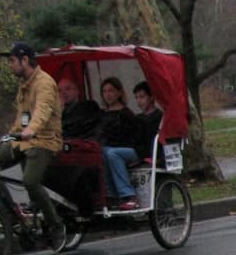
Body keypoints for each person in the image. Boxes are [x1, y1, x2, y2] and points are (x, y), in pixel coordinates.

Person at [0, 41, 66, 249]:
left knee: (30, 181)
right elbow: (22, 116)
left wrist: (32, 129)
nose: (10, 65)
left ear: (25, 60)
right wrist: (10, 135)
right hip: (24, 140)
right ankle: (12, 216)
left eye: (12, 60)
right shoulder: (24, 85)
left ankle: (56, 225)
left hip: (45, 140)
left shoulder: (44, 82)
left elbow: (42, 111)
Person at [96, 76, 145, 209]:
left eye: (111, 91)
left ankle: (128, 194)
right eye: (104, 91)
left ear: (119, 93)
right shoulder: (102, 114)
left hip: (131, 150)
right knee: (103, 152)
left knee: (111, 153)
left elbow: (134, 137)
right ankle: (110, 194)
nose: (108, 95)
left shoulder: (126, 113)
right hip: (110, 150)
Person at [57, 76, 100, 140]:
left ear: (77, 91)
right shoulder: (58, 111)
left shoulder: (89, 106)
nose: (63, 93)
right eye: (59, 90)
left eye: (67, 89)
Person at [132, 80, 164, 158]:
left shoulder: (160, 117)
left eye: (142, 97)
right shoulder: (137, 118)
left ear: (151, 97)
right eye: (136, 97)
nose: (139, 101)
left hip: (150, 153)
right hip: (138, 150)